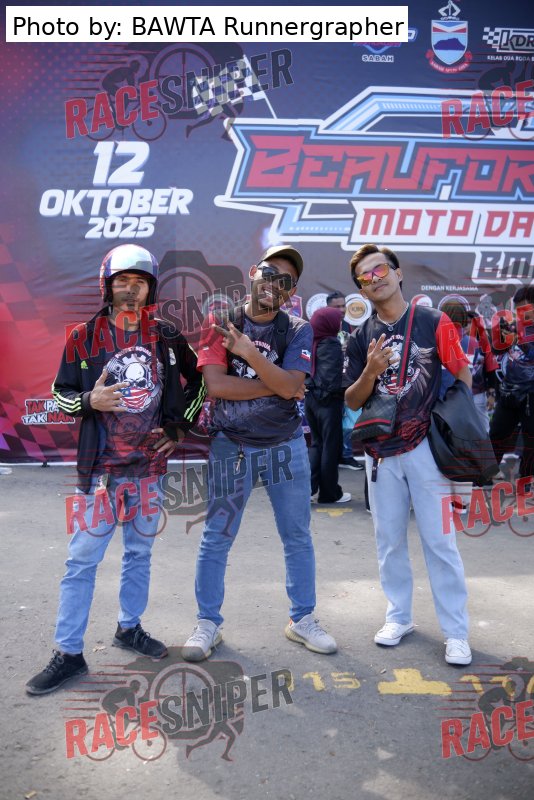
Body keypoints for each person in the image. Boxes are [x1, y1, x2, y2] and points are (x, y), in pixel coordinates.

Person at [26, 244, 205, 695]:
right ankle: (68, 652)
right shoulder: (82, 337)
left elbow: (199, 379)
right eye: (122, 281)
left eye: (139, 282)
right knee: (80, 562)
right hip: (100, 474)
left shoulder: (166, 335)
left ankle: (129, 627)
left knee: (139, 554)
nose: (130, 289)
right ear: (107, 286)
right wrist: (91, 400)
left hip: (149, 470)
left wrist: (179, 427)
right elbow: (61, 394)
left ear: (150, 289)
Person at [182, 245, 337, 661]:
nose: (274, 284)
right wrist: (280, 384)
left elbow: (293, 385)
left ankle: (303, 619)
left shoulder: (298, 329)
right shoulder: (221, 321)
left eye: (286, 281)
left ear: (292, 292)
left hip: (285, 446)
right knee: (217, 536)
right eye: (269, 273)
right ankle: (207, 623)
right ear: (253, 272)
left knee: (297, 536)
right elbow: (218, 385)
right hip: (230, 445)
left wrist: (250, 355)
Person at [344, 243, 473, 666]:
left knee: (440, 542)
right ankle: (398, 617)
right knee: (389, 541)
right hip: (380, 453)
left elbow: (462, 373)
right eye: (365, 277)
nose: (374, 279)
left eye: (380, 270)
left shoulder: (433, 322)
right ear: (361, 289)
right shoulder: (360, 336)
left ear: (397, 273)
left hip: (426, 450)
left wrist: (453, 425)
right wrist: (370, 371)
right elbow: (352, 399)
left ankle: (456, 632)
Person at [490, 286, 534, 494]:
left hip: (531, 396)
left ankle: (525, 482)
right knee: (496, 433)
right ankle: (487, 474)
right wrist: (500, 336)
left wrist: (521, 341)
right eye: (517, 308)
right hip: (509, 392)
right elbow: (495, 350)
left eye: (523, 308)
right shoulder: (514, 325)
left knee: (531, 440)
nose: (519, 312)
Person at [305, 306, 350, 503]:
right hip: (327, 403)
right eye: (337, 320)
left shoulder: (311, 342)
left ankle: (307, 490)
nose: (340, 323)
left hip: (311, 400)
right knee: (330, 448)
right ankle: (329, 494)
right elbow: (331, 380)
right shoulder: (331, 344)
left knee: (317, 445)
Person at [325, 291, 364, 471]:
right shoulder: (321, 328)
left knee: (349, 422)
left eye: (343, 306)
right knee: (332, 424)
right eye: (336, 306)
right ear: (328, 308)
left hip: (348, 382)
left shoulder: (349, 327)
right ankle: (336, 457)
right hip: (328, 384)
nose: (341, 310)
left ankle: (346, 455)